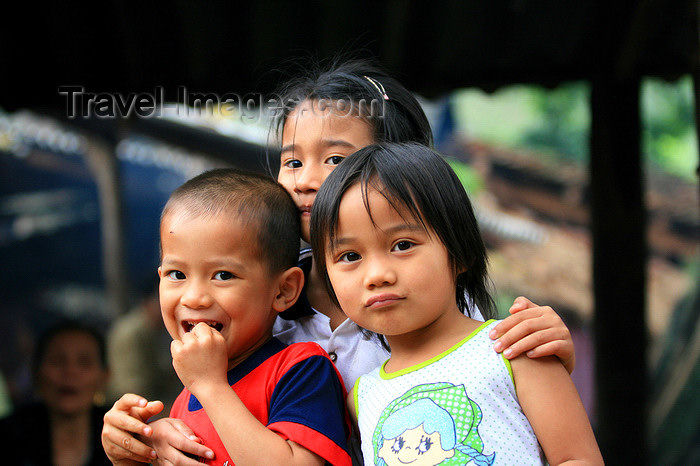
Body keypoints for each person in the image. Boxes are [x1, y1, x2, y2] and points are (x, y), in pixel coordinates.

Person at [101, 56, 577, 464]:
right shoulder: (256, 308)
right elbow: (210, 403)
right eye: (292, 162)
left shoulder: (428, 306)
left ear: (399, 166)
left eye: (334, 160)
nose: (307, 180)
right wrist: (149, 440)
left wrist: (549, 352)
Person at [310, 142, 603, 465]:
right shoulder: (361, 397)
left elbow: (577, 458)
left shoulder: (513, 348)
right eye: (350, 256)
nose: (377, 275)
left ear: (460, 252)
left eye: (402, 245)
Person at [102, 168, 351, 466]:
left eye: (222, 275)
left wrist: (211, 387)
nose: (193, 297)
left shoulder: (300, 370)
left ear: (283, 290)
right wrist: (135, 453)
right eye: (177, 274)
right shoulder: (187, 397)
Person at [0, 319, 112, 466]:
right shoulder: (6, 435)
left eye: (84, 362)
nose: (70, 372)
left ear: (105, 376)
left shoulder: (120, 436)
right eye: (57, 361)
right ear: (36, 373)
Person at [106, 277, 181, 415]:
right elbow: (132, 389)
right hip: (129, 409)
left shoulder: (153, 330)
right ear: (148, 301)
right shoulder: (132, 332)